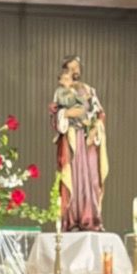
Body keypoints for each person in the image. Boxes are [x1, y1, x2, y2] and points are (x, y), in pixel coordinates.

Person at [52, 56, 108, 233]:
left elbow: (99, 113)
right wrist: (66, 114)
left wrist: (95, 128)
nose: (75, 71)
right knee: (73, 177)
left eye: (76, 67)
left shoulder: (89, 90)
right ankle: (71, 219)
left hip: (89, 140)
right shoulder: (61, 92)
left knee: (90, 178)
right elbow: (56, 113)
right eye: (70, 68)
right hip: (72, 138)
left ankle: (89, 218)